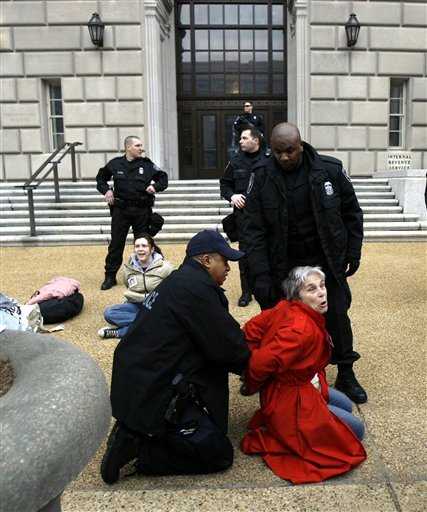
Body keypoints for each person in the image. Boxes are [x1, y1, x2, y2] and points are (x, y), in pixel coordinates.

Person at [100, 229, 250, 484]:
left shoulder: (182, 280)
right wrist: (256, 365)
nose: (229, 268)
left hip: (136, 383)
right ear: (205, 260)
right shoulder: (197, 289)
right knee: (218, 453)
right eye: (224, 260)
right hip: (153, 391)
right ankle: (140, 448)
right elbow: (229, 347)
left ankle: (137, 431)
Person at [242, 122, 367, 404]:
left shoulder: (330, 170)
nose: (284, 157)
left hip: (325, 259)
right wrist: (259, 274)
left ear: (300, 145)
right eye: (278, 152)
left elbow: (352, 214)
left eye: (290, 151)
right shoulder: (260, 176)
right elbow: (252, 229)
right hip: (282, 264)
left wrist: (353, 252)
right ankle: (291, 376)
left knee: (335, 314)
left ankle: (346, 372)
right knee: (284, 323)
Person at [240, 266, 366, 484]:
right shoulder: (300, 330)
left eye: (322, 285)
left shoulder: (287, 307)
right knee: (357, 430)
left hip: (302, 384)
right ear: (298, 295)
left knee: (345, 405)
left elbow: (251, 329)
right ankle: (281, 428)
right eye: (311, 289)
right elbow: (260, 363)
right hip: (292, 396)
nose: (321, 293)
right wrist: (251, 385)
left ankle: (311, 414)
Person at [96, 136, 168, 291]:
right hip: (120, 211)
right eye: (138, 145)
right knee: (116, 244)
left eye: (141, 145)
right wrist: (107, 190)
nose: (141, 148)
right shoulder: (115, 164)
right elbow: (100, 178)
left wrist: (155, 187)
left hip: (141, 210)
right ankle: (110, 276)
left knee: (144, 243)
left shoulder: (147, 164)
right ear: (128, 147)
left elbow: (163, 178)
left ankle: (153, 271)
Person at [220, 127, 267, 307]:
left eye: (244, 138)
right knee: (244, 255)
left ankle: (266, 287)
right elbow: (224, 184)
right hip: (244, 218)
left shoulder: (268, 161)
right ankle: (246, 292)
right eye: (240, 138)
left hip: (264, 217)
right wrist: (232, 196)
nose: (240, 141)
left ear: (256, 140)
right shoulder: (235, 161)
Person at [98, 233, 174, 339]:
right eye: (137, 246)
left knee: (161, 320)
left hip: (156, 307)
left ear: (152, 249)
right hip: (136, 305)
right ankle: (152, 324)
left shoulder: (165, 267)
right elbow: (128, 285)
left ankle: (118, 333)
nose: (140, 249)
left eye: (144, 246)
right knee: (109, 313)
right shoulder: (128, 268)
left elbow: (174, 289)